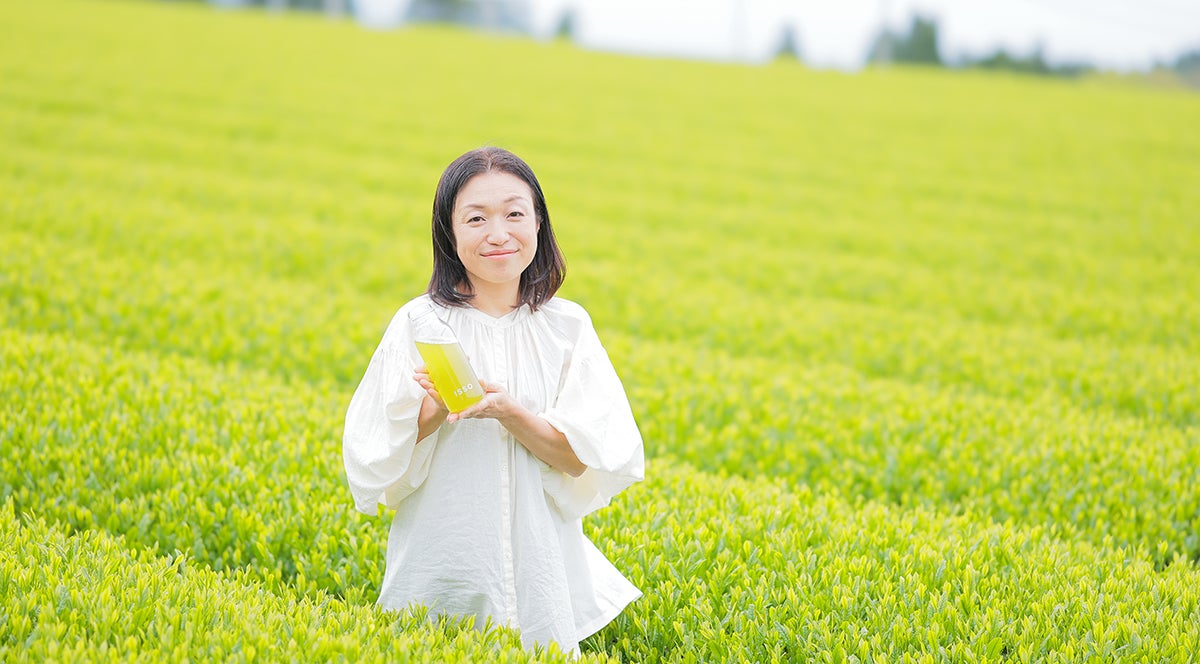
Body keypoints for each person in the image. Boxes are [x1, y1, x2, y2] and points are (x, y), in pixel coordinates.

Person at [342, 147, 645, 654]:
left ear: (539, 223)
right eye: (476, 218)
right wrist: (435, 411)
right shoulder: (420, 323)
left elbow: (580, 459)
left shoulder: (567, 327)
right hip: (441, 561)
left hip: (539, 569)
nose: (498, 233)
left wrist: (511, 413)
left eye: (514, 214)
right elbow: (373, 455)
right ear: (449, 232)